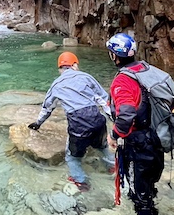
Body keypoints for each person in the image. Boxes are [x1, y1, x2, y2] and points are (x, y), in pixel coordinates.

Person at [106, 32, 165, 215]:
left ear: (115, 56)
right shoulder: (145, 70)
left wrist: (114, 135)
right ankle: (151, 207)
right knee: (148, 179)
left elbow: (127, 115)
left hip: (139, 142)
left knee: (137, 186)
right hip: (157, 136)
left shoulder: (123, 80)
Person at [28, 51, 113, 192]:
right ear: (74, 65)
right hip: (97, 119)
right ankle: (112, 167)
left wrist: (38, 123)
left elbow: (47, 108)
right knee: (102, 146)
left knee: (72, 157)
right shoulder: (87, 77)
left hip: (78, 122)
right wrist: (116, 121)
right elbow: (104, 101)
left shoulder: (56, 85)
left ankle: (81, 182)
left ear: (60, 69)